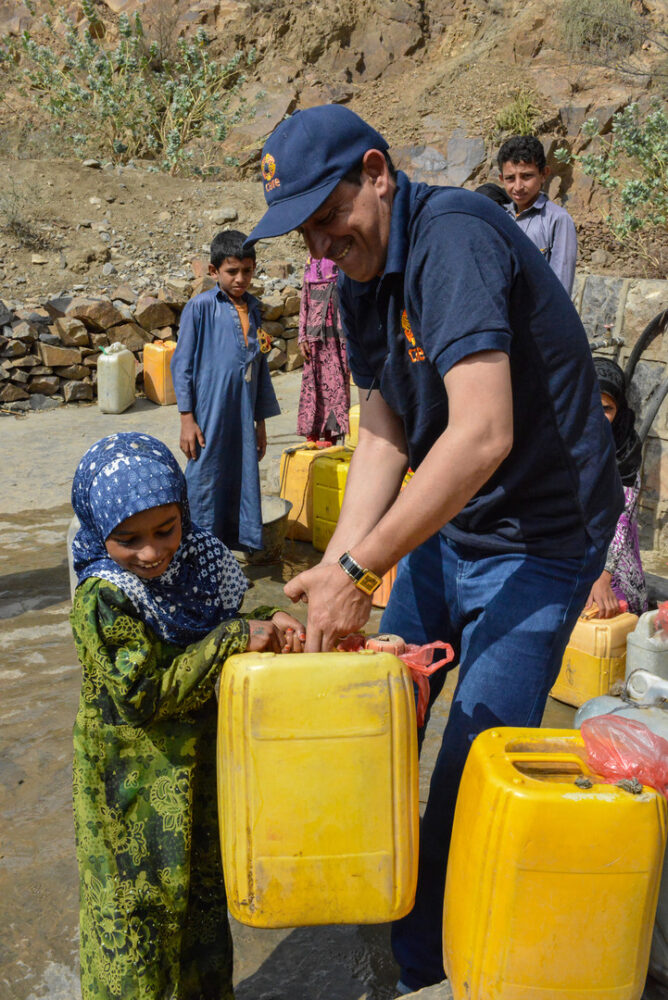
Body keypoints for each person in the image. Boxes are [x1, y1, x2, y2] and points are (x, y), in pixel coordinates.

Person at [243, 104, 623, 993]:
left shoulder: (450, 236)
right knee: (373, 711)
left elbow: (483, 431)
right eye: (303, 233)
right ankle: (373, 891)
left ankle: (425, 970)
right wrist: (336, 571)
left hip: (544, 537)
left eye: (329, 216)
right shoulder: (356, 274)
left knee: (471, 764)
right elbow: (385, 428)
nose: (321, 247)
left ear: (378, 172)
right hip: (457, 527)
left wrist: (360, 567)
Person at [69, 431, 305, 1000]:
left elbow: (217, 628)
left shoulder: (199, 565)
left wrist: (270, 625)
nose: (151, 553)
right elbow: (146, 692)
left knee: (201, 904)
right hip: (131, 791)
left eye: (165, 530)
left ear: (183, 511)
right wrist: (234, 640)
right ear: (100, 532)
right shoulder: (105, 597)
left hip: (197, 778)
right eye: (128, 539)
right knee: (137, 919)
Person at [171, 230, 280, 552]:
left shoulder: (255, 309)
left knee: (241, 478)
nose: (241, 278)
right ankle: (194, 554)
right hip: (210, 411)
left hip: (244, 412)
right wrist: (187, 419)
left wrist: (261, 424)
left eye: (247, 270)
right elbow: (182, 365)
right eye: (232, 271)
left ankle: (225, 558)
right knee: (205, 479)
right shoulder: (201, 307)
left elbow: (259, 369)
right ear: (213, 271)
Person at [585, 357, 647, 617]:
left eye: (607, 409)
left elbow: (620, 522)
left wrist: (602, 575)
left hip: (613, 561)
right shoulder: (562, 440)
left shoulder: (625, 454)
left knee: (607, 606)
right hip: (569, 551)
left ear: (619, 411)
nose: (598, 417)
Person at [497, 135, 578, 294]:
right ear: (501, 179)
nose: (518, 186)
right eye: (510, 178)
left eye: (527, 176)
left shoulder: (557, 219)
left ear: (544, 174)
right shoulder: (499, 218)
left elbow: (561, 287)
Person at [297, 255, 350, 444]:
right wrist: (302, 335)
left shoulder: (342, 258)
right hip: (315, 330)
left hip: (339, 331)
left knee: (337, 381)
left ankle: (331, 436)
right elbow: (305, 298)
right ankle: (311, 435)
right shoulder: (311, 260)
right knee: (314, 382)